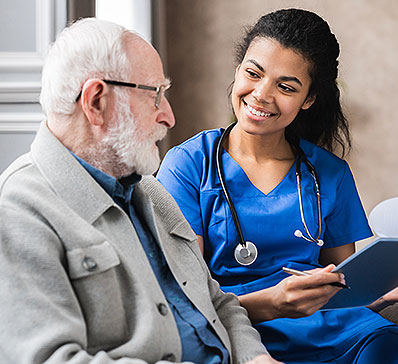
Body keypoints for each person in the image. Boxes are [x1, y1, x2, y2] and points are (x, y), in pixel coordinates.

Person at [157, 8, 398, 364]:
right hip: (242, 341)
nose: (262, 95)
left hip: (347, 337)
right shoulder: (188, 165)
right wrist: (272, 304)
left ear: (308, 99)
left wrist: (385, 289)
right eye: (253, 73)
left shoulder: (329, 173)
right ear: (238, 73)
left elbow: (342, 288)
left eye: (286, 86)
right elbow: (184, 297)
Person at [0, 18, 281, 364]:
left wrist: (256, 358)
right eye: (156, 95)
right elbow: (49, 359)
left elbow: (216, 301)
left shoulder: (151, 191)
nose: (169, 116)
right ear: (97, 102)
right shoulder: (18, 210)